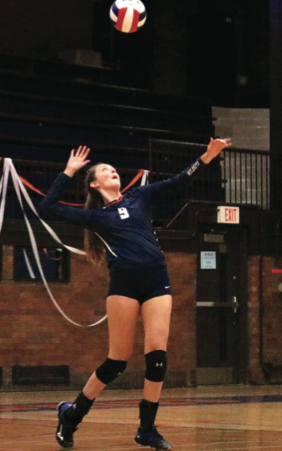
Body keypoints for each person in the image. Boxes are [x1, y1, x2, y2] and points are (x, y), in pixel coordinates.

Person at [40, 138, 231, 450]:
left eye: (114, 169)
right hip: (124, 285)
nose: (113, 172)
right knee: (117, 361)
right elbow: (47, 207)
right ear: (94, 184)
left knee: (157, 358)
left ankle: (146, 429)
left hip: (157, 278)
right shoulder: (95, 217)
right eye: (105, 171)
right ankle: (72, 416)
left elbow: (180, 180)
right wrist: (68, 172)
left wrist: (207, 157)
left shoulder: (139, 196)